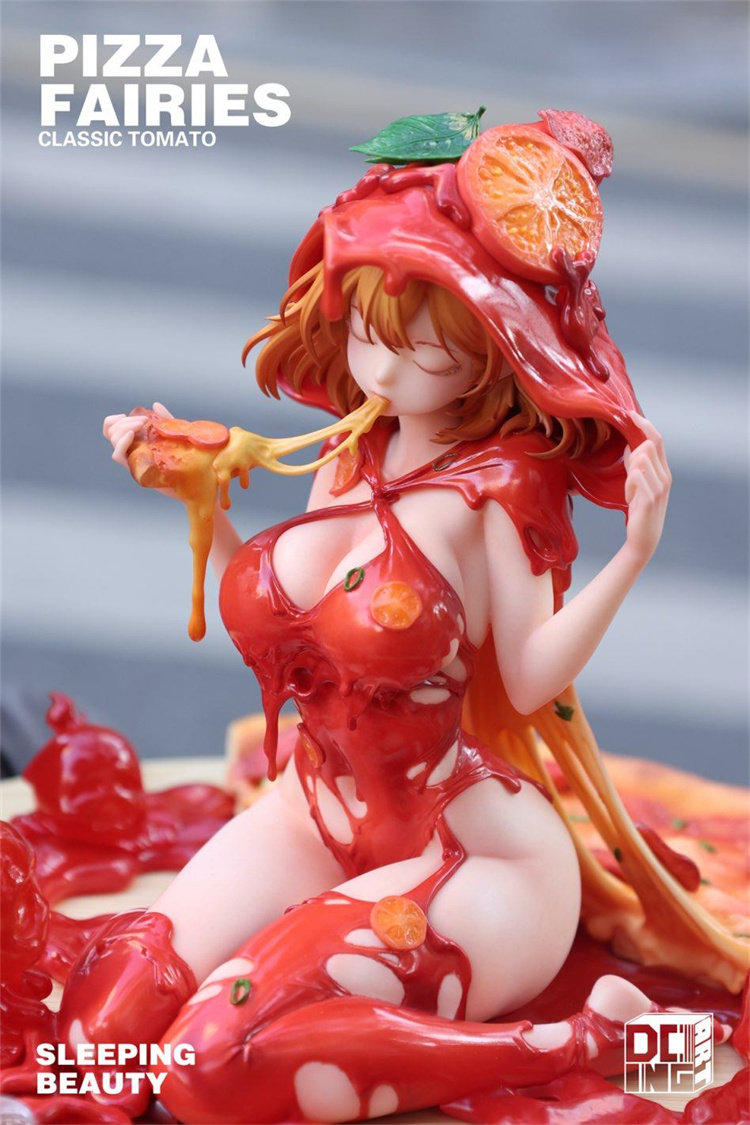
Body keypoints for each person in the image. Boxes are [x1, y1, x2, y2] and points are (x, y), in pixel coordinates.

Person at [63, 114, 745, 1124]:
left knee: (210, 1067)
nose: (384, 373)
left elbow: (531, 679)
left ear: (494, 352)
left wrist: (634, 553)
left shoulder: (500, 491)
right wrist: (192, 489)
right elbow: (303, 620)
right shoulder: (349, 451)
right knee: (96, 1039)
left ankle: (589, 1040)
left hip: (474, 855)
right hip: (312, 812)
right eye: (371, 334)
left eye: (425, 349)